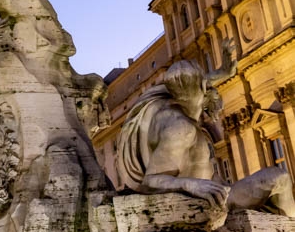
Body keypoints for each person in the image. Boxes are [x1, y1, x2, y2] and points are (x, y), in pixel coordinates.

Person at [118, 58, 295, 218]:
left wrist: (222, 73)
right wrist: (192, 185)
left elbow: (185, 82)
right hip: (218, 199)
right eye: (210, 87)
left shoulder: (172, 111)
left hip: (216, 190)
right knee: (280, 177)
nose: (215, 92)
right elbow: (151, 180)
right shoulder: (181, 127)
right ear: (203, 88)